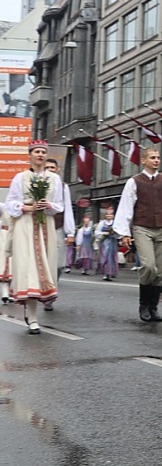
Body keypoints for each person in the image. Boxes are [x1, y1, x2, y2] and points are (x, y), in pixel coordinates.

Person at [114, 147, 162, 323]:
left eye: (158, 157)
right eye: (152, 157)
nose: (156, 160)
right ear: (143, 160)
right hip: (142, 227)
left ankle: (153, 307)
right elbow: (126, 207)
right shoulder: (134, 182)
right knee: (149, 265)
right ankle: (143, 305)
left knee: (161, 269)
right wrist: (124, 232)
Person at [5, 139, 63, 334]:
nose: (40, 155)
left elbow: (59, 205)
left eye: (43, 152)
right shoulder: (20, 178)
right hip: (26, 225)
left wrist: (48, 206)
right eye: (36, 151)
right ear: (30, 155)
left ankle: (36, 309)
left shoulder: (54, 179)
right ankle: (33, 316)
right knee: (29, 267)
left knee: (44, 268)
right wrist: (27, 207)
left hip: (45, 224)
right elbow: (10, 203)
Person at [43, 158, 76, 310]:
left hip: (57, 227)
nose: (50, 169)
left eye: (52, 167)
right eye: (47, 167)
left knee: (59, 265)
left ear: (57, 169)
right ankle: (45, 293)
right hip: (40, 227)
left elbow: (68, 208)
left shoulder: (63, 186)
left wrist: (70, 232)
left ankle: (51, 289)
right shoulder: (37, 184)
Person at [96, 207, 119, 281]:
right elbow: (97, 232)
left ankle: (111, 272)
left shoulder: (115, 223)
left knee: (112, 258)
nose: (109, 216)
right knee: (105, 257)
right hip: (104, 243)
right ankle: (106, 273)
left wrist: (114, 234)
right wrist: (104, 233)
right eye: (107, 214)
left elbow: (119, 234)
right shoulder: (102, 223)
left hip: (112, 243)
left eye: (111, 214)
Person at [0, 202, 13, 304]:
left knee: (14, 266)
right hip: (5, 237)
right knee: (5, 265)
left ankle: (10, 292)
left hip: (17, 236)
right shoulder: (4, 206)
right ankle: (5, 293)